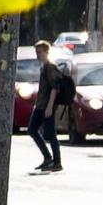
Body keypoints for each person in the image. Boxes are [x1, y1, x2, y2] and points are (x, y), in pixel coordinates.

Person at [29, 42, 72, 173]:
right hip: (40, 105)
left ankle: (57, 162)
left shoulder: (50, 67)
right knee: (32, 130)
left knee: (51, 134)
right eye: (37, 52)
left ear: (47, 52)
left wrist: (49, 107)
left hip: (47, 106)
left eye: (40, 52)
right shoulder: (44, 67)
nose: (38, 55)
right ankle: (48, 158)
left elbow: (55, 88)